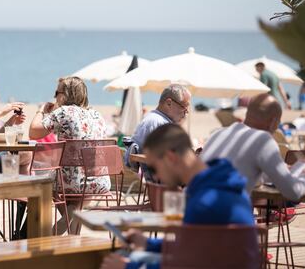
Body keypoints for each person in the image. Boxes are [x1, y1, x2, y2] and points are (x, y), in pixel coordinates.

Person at [100, 124, 254, 269]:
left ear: (170, 157)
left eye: (154, 167)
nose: (156, 175)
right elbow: (191, 248)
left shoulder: (203, 202)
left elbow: (185, 264)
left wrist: (129, 267)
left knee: (121, 258)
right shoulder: (222, 183)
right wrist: (148, 243)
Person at [29, 76, 108, 235]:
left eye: (56, 92)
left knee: (43, 182)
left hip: (72, 182)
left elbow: (33, 132)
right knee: (74, 194)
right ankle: (73, 236)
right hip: (99, 181)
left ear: (65, 95)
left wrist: (41, 110)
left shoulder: (63, 112)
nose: (54, 97)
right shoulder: (97, 115)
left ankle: (50, 236)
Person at [201, 93, 305, 202]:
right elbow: (293, 192)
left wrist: (289, 168)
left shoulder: (218, 134)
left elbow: (250, 170)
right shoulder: (262, 139)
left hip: (191, 208)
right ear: (273, 122)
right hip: (218, 214)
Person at [124, 84, 191, 179]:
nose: (186, 111)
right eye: (184, 106)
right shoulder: (159, 123)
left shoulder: (155, 120)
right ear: (169, 103)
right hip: (165, 183)